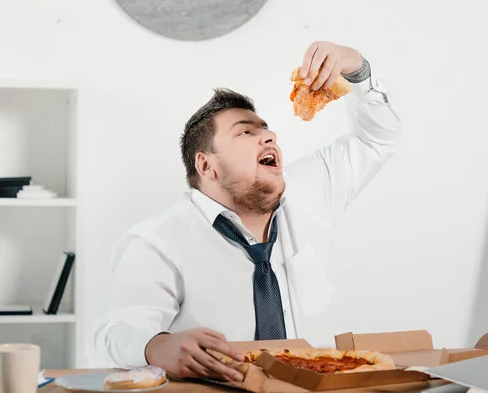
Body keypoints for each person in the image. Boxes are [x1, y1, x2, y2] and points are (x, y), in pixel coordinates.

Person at [89, 41, 400, 383]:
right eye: (246, 132)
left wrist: (357, 69)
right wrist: (156, 346)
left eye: (265, 129)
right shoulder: (157, 243)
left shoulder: (310, 192)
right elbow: (113, 332)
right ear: (207, 166)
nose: (269, 136)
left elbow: (377, 139)